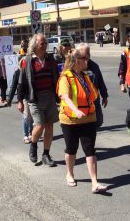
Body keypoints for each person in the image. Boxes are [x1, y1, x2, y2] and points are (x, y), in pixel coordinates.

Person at [57, 43, 107, 193]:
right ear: (77, 60)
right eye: (85, 58)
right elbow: (65, 97)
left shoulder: (86, 76)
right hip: (70, 120)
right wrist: (76, 110)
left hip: (88, 119)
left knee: (90, 150)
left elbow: (94, 95)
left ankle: (94, 182)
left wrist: (100, 96)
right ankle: (70, 174)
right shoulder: (65, 77)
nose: (88, 61)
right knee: (71, 150)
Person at [17, 33, 59, 166]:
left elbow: (57, 78)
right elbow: (21, 83)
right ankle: (33, 146)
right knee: (39, 125)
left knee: (50, 125)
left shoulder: (51, 59)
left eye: (45, 43)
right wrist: (19, 101)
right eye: (42, 43)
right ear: (35, 45)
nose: (45, 45)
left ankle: (46, 154)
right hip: (35, 98)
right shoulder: (27, 60)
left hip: (50, 96)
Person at [82, 45, 108, 128]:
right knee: (86, 124)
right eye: (85, 53)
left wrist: (104, 96)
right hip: (82, 101)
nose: (87, 55)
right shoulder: (76, 66)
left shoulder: (94, 66)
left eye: (88, 53)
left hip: (94, 99)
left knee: (99, 121)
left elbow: (100, 82)